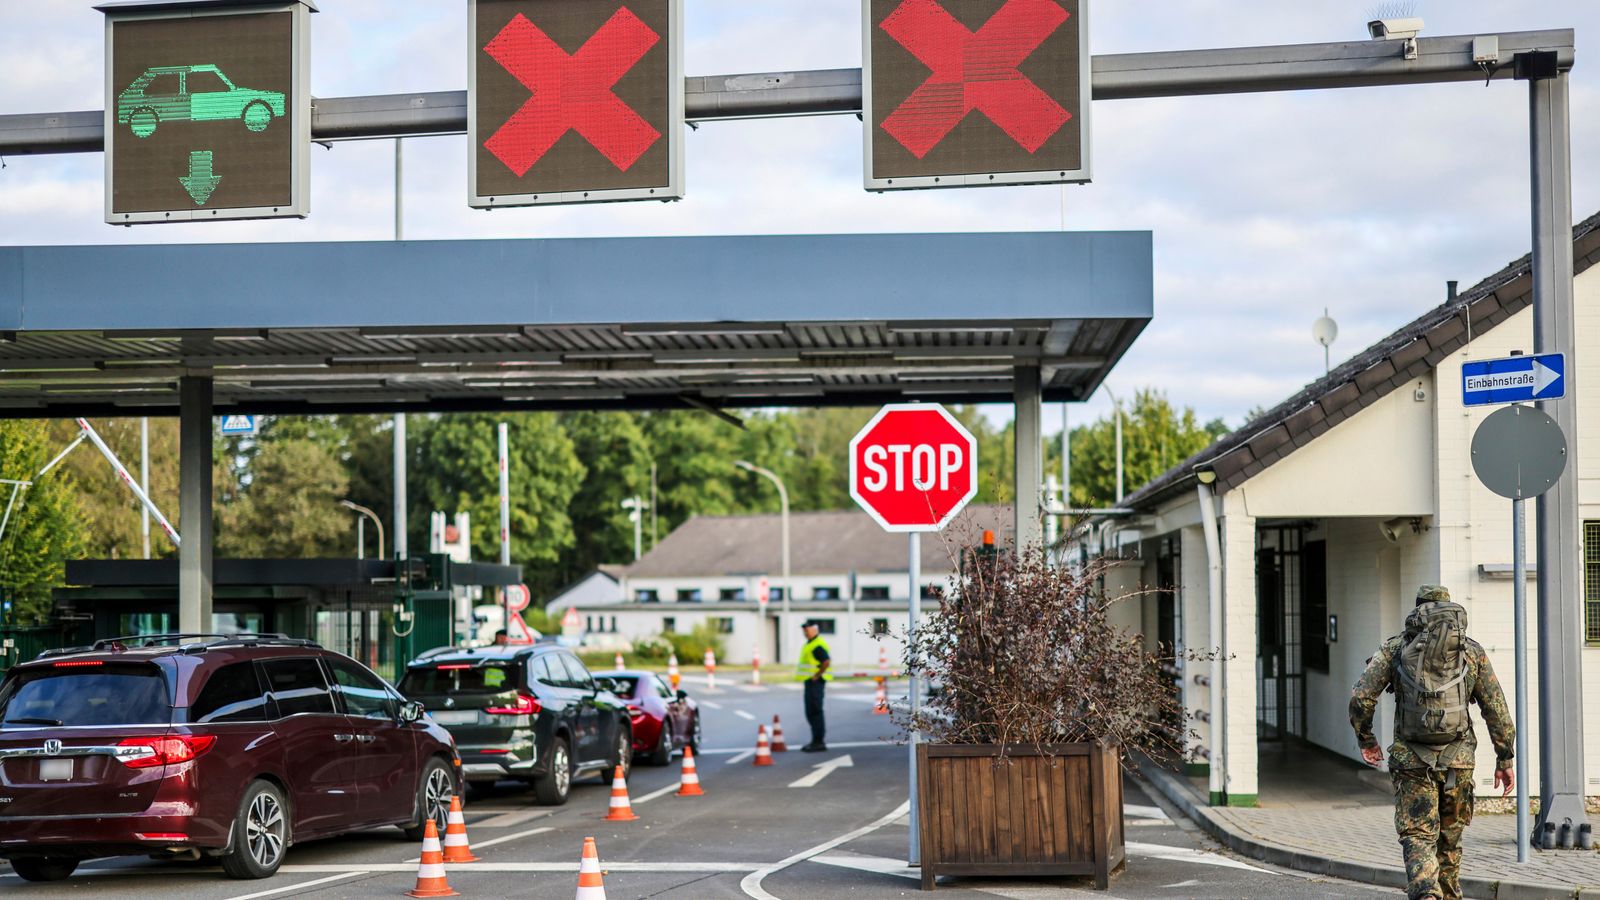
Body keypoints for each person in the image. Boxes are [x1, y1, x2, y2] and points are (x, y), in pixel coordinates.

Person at [1350, 585, 1515, 900]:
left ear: (1417, 611)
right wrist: (1504, 758)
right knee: (1450, 840)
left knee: (1418, 836)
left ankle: (1427, 892)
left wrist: (1366, 738)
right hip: (1459, 759)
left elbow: (1361, 697)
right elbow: (1496, 708)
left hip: (1412, 760)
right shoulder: (1471, 651)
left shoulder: (1396, 648)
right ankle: (1449, 895)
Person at [795, 620, 833, 752]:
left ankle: (818, 742)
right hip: (810, 682)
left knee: (815, 711)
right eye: (804, 630)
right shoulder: (810, 644)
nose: (805, 632)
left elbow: (826, 661)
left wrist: (817, 675)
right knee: (810, 712)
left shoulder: (816, 645)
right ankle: (815, 741)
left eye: (807, 629)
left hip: (816, 682)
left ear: (814, 630)